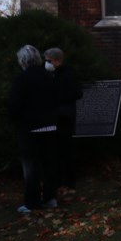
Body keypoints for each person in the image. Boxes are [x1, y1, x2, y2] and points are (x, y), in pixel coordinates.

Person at [7, 45, 59, 214]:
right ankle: (50, 198)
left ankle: (32, 201)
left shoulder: (21, 79)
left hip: (30, 127)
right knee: (49, 163)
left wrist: (13, 119)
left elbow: (15, 105)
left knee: (31, 167)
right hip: (50, 125)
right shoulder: (48, 76)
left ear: (22, 60)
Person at [44, 47, 83, 191]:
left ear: (58, 60)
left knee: (67, 150)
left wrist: (58, 99)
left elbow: (77, 93)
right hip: (54, 116)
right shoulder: (49, 74)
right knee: (55, 150)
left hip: (65, 116)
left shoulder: (68, 73)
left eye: (49, 60)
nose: (47, 63)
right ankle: (58, 179)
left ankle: (69, 180)